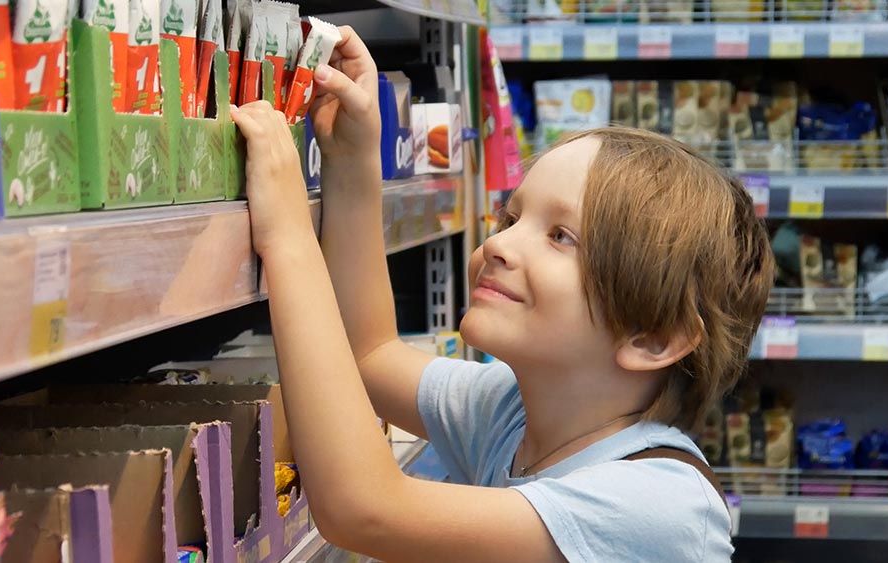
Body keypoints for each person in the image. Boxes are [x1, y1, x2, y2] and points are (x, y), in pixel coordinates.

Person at [230, 25, 773, 563]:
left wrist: (287, 237)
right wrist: (353, 158)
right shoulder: (512, 414)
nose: (499, 244)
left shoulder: (656, 506)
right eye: (511, 217)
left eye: (561, 236)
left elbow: (364, 509)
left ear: (655, 337)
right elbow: (368, 354)